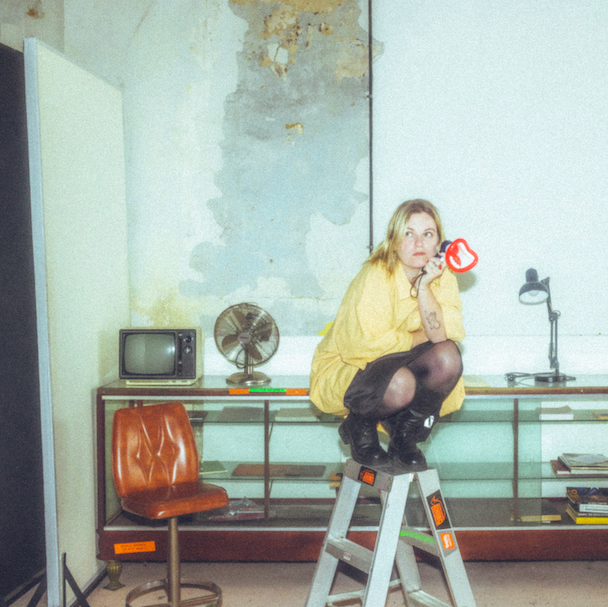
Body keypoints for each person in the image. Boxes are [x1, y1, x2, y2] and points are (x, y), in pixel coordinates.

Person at [309, 199, 465, 471]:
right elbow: (368, 345)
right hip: (350, 367)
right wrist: (420, 336)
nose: (419, 243)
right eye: (409, 234)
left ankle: (404, 435)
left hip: (395, 363)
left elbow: (443, 335)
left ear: (439, 243)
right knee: (400, 382)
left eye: (428, 234)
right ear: (393, 241)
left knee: (447, 358)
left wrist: (425, 287)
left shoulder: (442, 276)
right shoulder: (376, 274)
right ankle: (359, 424)